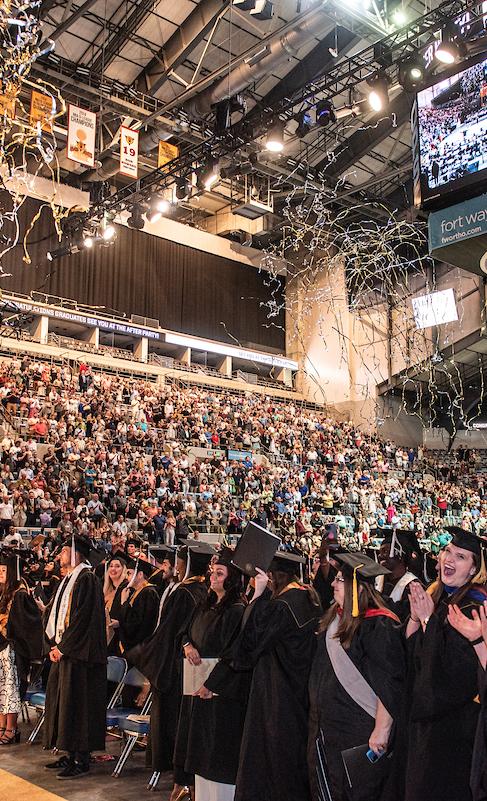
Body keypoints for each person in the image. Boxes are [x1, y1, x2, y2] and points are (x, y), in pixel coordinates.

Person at [397, 527, 487, 801]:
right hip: (427, 730)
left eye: (461, 557)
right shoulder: (438, 597)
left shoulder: (473, 609)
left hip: (453, 734)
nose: (449, 559)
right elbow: (411, 658)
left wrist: (427, 621)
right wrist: (416, 618)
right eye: (448, 551)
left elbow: (451, 678)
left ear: (474, 570)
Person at [308, 552, 405, 801]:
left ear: (356, 588)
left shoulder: (379, 625)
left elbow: (390, 681)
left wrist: (382, 729)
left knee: (356, 792)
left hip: (358, 730)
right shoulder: (335, 618)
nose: (332, 584)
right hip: (327, 727)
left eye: (339, 580)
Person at [233, 551, 321, 801]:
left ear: (271, 577)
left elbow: (248, 646)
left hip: (275, 696)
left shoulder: (281, 606)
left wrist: (258, 596)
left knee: (271, 763)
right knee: (293, 762)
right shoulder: (310, 599)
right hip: (300, 696)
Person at [130, 541, 215, 796]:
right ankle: (184, 780)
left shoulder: (184, 593)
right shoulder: (201, 590)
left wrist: (144, 655)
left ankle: (181, 781)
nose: (177, 564)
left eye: (180, 560)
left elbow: (168, 633)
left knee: (176, 725)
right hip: (186, 669)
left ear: (187, 563)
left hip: (174, 671)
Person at [176, 547, 248, 801]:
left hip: (220, 695)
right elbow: (184, 631)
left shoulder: (237, 610)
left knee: (216, 753)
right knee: (198, 752)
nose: (213, 577)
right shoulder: (204, 603)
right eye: (212, 572)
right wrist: (187, 645)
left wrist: (212, 684)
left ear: (231, 578)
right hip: (198, 688)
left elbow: (234, 654)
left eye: (220, 573)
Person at [43, 534, 107, 779]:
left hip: (82, 657)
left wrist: (64, 647)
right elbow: (56, 613)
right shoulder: (70, 578)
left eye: (63, 552)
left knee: (79, 707)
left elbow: (82, 621)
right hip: (67, 652)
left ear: (76, 553)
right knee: (65, 705)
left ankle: (81, 758)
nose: (60, 556)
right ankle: (69, 753)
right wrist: (52, 643)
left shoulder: (87, 579)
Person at [0, 550, 43, 744]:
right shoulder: (5, 594)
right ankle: (2, 726)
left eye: (3, 570)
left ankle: (11, 728)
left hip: (13, 650)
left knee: (10, 690)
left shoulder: (21, 595)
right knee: (1, 689)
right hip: (2, 648)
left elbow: (28, 626)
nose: (0, 574)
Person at [118, 556, 159, 654]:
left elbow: (137, 623)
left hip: (140, 648)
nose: (126, 577)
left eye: (129, 573)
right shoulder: (137, 592)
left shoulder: (148, 593)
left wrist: (124, 602)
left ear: (140, 574)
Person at [103, 555, 128, 657]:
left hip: (117, 641)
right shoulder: (106, 591)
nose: (113, 569)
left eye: (117, 566)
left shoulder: (126, 590)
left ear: (124, 569)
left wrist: (119, 623)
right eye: (111, 566)